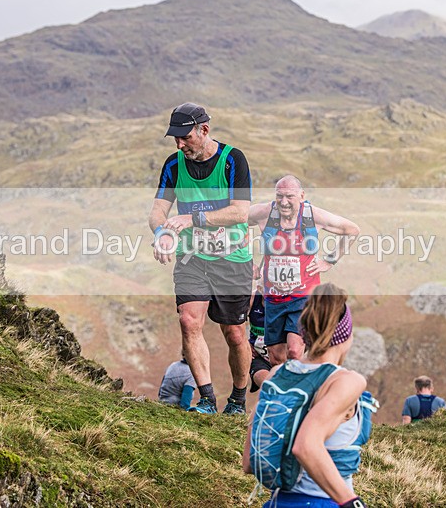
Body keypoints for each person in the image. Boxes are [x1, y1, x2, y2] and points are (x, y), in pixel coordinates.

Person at [149, 102, 252, 415]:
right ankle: (207, 399)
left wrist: (193, 219)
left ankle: (237, 399)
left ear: (204, 130)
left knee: (234, 334)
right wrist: (162, 234)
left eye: (185, 137)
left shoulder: (233, 160)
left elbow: (240, 211)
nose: (180, 144)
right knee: (189, 321)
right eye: (175, 138)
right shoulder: (173, 165)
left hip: (232, 259)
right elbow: (158, 212)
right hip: (192, 258)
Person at [243, 283, 372, 507]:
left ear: (303, 331)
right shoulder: (345, 381)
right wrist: (353, 503)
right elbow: (305, 445)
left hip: (278, 501)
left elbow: (248, 461)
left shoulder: (276, 376)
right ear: (345, 335)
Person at [249, 175, 359, 366]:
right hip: (273, 297)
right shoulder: (265, 213)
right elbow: (233, 221)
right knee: (276, 356)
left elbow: (352, 230)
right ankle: (284, 393)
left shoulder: (313, 216)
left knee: (294, 350)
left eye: (289, 196)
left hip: (303, 295)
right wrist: (246, 261)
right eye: (279, 196)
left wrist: (329, 261)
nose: (284, 202)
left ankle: (301, 391)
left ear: (301, 195)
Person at [248, 283, 272, 393]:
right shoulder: (253, 298)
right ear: (259, 288)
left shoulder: (290, 300)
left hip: (284, 358)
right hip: (260, 357)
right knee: (267, 383)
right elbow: (236, 323)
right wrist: (245, 343)